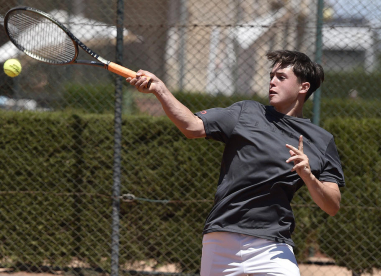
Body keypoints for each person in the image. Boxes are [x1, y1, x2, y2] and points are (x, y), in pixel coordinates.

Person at [127, 50, 345, 276]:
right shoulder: (246, 112)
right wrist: (160, 89)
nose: (271, 82)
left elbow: (332, 205)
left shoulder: (321, 140)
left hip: (272, 246)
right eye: (271, 76)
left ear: (303, 87)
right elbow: (192, 127)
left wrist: (308, 177)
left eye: (281, 77)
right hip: (222, 239)